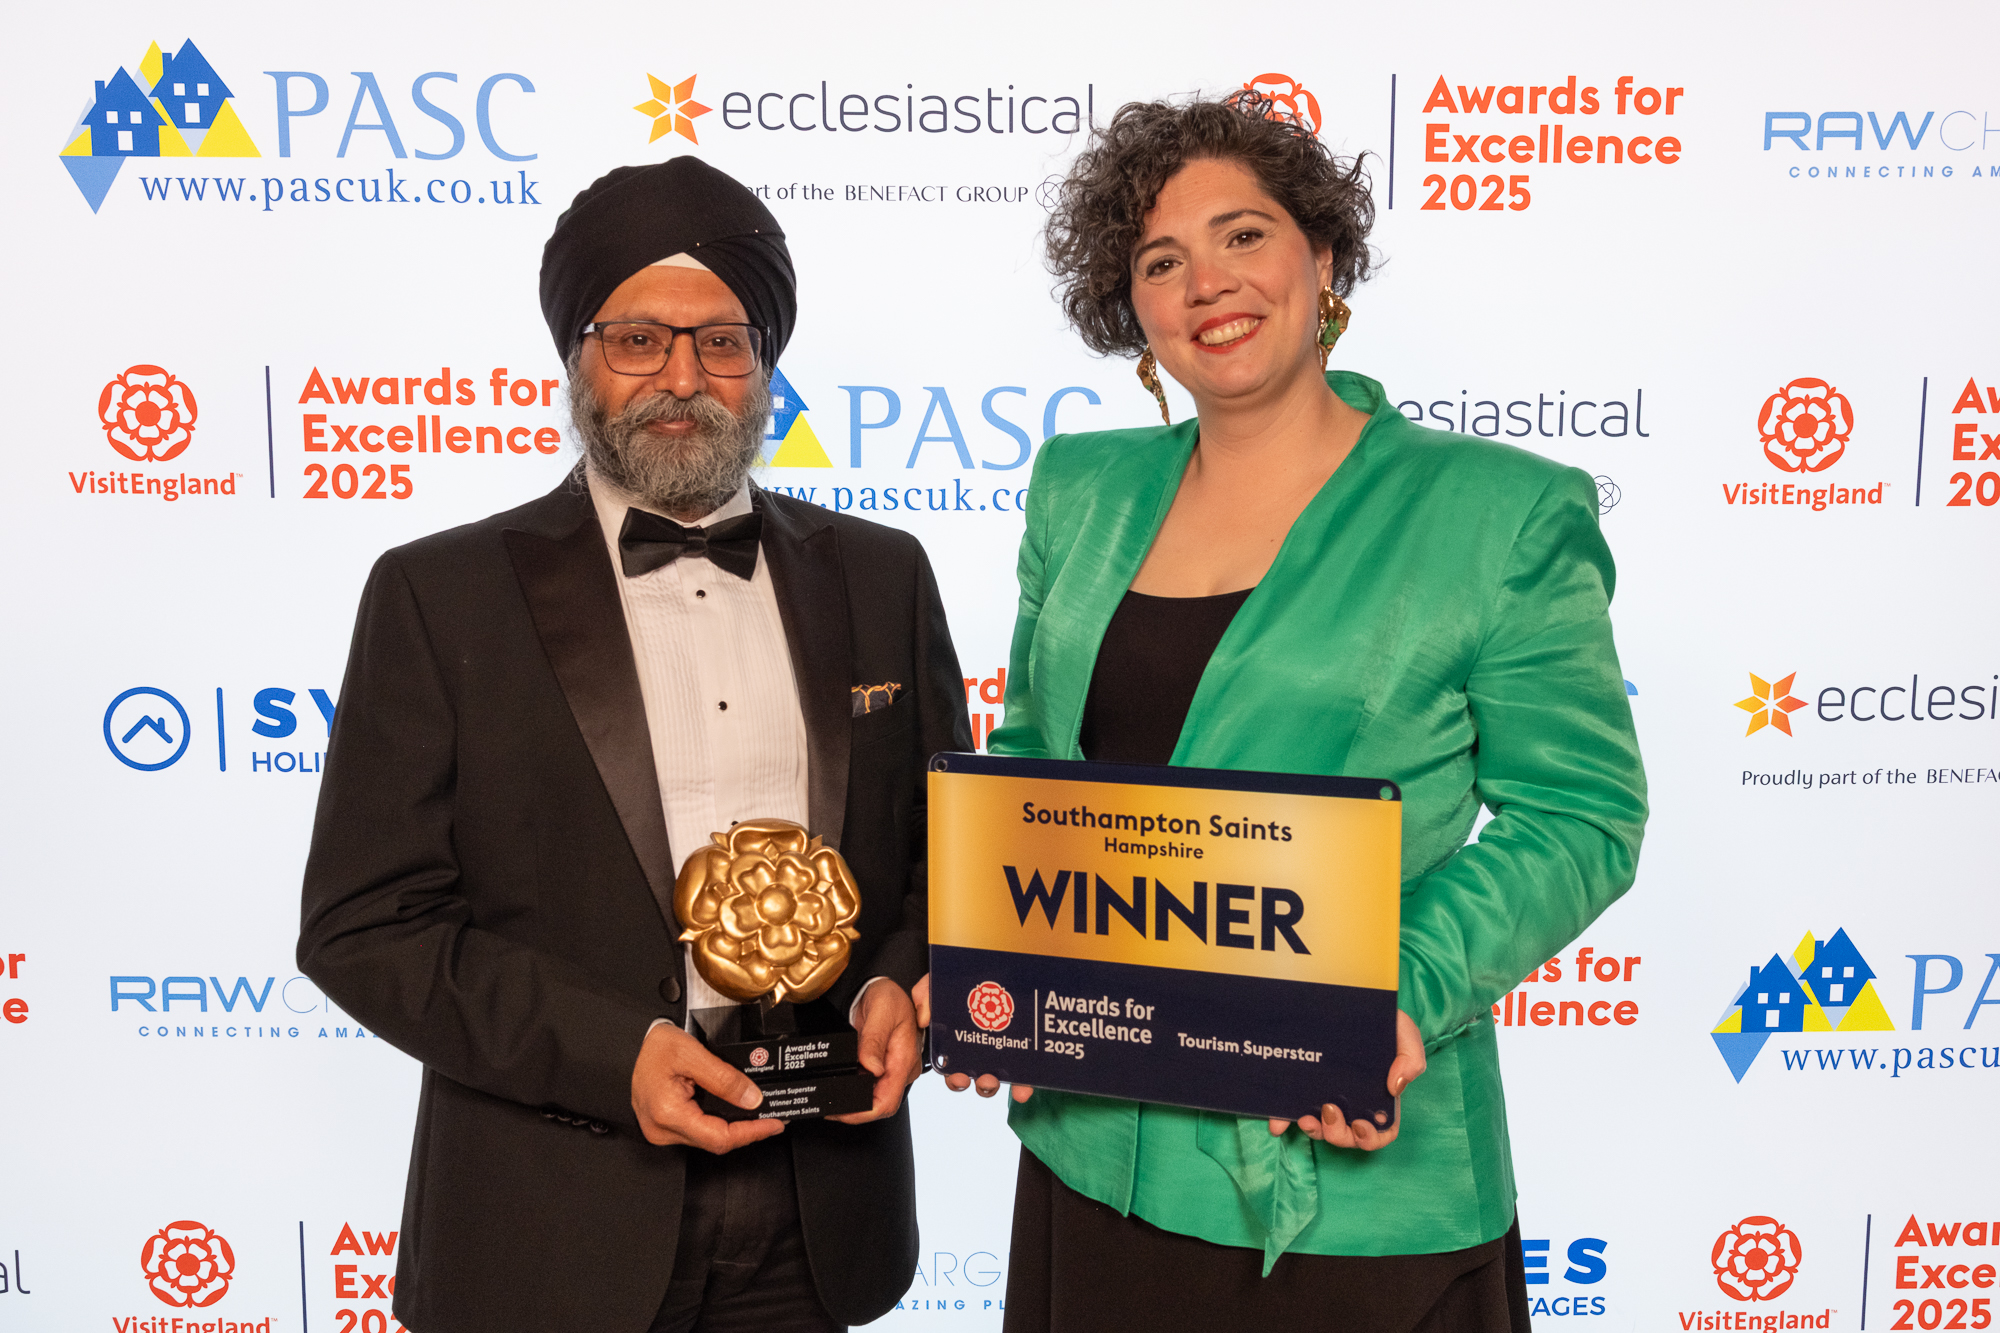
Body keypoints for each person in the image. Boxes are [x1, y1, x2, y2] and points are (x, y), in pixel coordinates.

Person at [946, 92, 1648, 1331]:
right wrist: (1000, 979)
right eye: (1160, 261)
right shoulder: (1081, 489)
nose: (1205, 282)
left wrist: (1392, 988)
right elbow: (1036, 768)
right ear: (1135, 314)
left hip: (1347, 1174)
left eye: (1242, 235)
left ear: (1321, 260)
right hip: (1090, 1153)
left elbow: (1578, 815)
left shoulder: (1499, 514)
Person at [298, 156, 972, 1333]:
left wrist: (891, 978)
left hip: (818, 1220)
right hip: (546, 1231)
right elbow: (364, 927)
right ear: (577, 359)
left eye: (722, 341)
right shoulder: (436, 594)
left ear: (764, 366)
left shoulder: (882, 575)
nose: (682, 378)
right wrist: (617, 1054)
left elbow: (949, 858)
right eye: (638, 339)